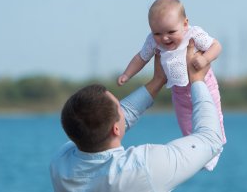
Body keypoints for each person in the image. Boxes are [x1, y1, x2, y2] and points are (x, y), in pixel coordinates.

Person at [50, 40, 224, 192]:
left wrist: (157, 82)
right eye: (119, 106)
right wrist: (198, 80)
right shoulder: (143, 167)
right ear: (116, 129)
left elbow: (103, 122)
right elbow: (210, 139)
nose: (123, 108)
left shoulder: (61, 164)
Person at [117, 0, 226, 170]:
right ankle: (200, 158)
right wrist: (127, 74)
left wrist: (205, 59)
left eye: (170, 32)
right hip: (179, 93)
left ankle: (217, 146)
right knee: (186, 125)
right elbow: (141, 58)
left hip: (205, 86)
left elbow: (217, 46)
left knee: (213, 115)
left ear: (185, 23)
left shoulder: (194, 34)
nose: (164, 38)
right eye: (157, 33)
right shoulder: (152, 42)